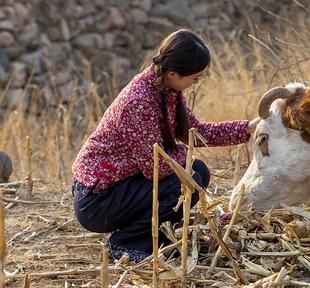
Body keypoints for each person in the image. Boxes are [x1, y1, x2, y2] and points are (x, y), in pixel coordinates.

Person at [72, 29, 256, 262]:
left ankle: (154, 235)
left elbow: (198, 133)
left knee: (198, 172)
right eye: (195, 78)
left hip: (122, 185)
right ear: (173, 73)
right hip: (97, 200)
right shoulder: (139, 101)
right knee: (186, 179)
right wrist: (186, 154)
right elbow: (155, 166)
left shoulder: (167, 89)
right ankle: (124, 243)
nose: (195, 83)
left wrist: (249, 128)